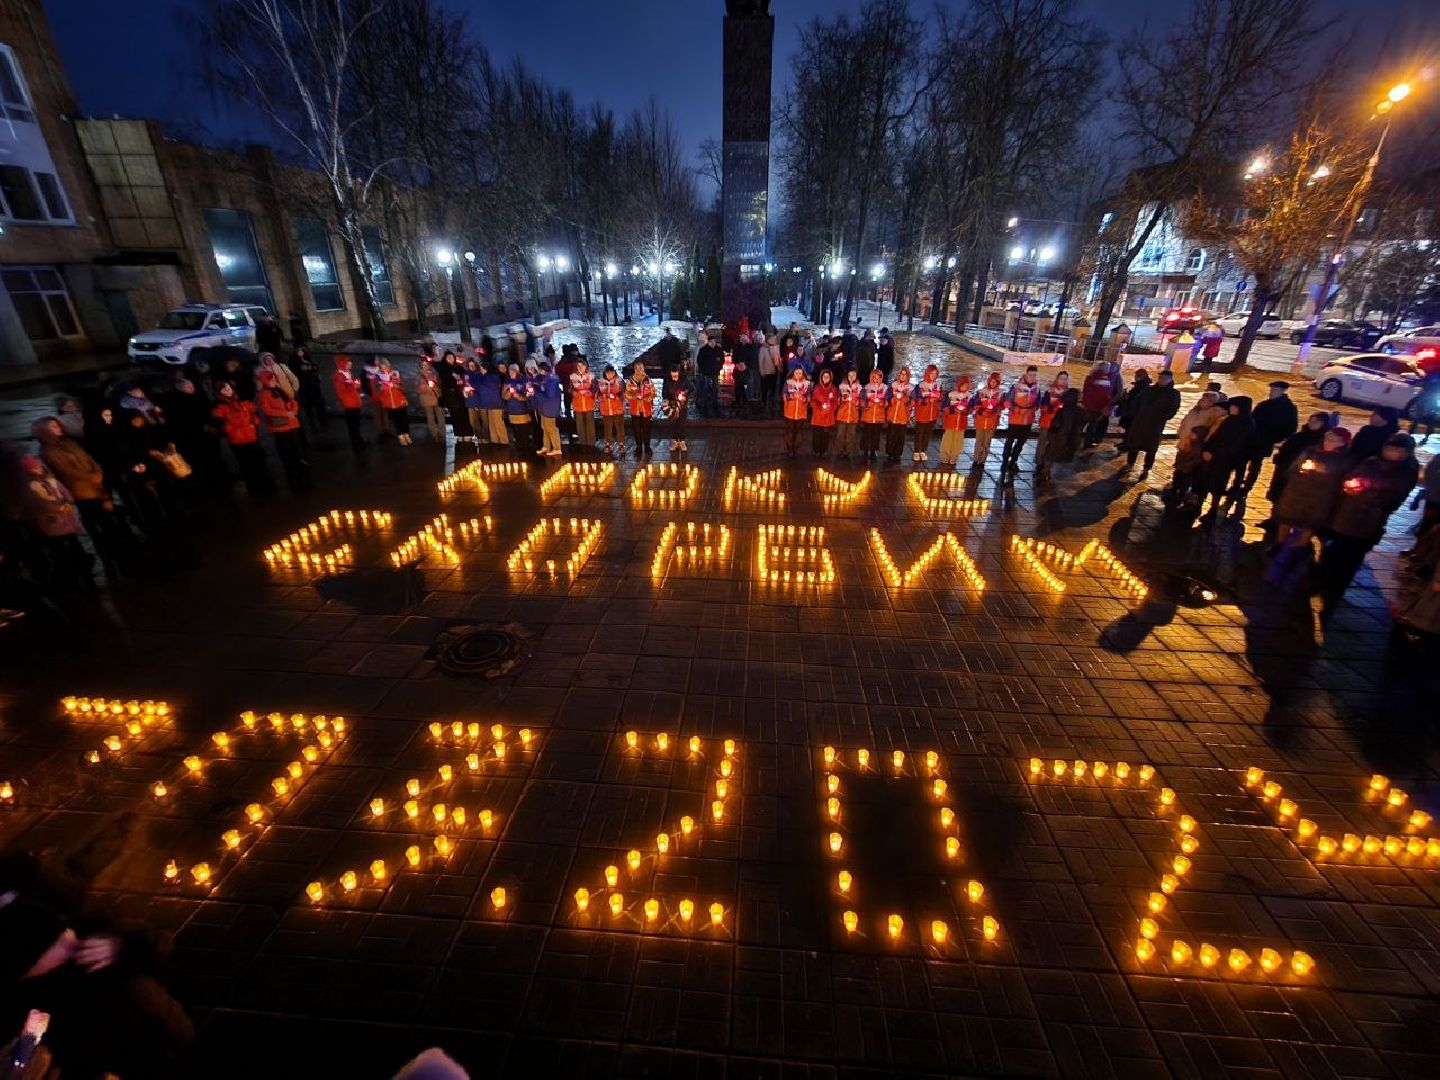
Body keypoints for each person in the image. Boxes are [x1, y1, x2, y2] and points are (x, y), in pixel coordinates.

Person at [0, 896, 194, 1078]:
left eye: (64, 933)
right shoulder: (35, 995)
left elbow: (160, 940)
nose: (70, 939)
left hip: (164, 1038)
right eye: (57, 942)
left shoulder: (94, 936)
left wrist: (123, 945)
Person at [1316, 433, 1420, 614]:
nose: (1391, 452)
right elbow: (1352, 476)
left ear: (1406, 453)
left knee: (1348, 559)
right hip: (1345, 515)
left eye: (1397, 450)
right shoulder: (1372, 461)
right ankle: (1321, 582)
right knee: (1331, 552)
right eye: (1389, 448)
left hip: (1367, 521)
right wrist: (1350, 485)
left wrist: (1368, 484)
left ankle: (1333, 593)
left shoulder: (1406, 470)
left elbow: (1395, 490)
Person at [1268, 426, 1352, 561]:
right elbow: (1293, 468)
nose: (1327, 442)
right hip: (1297, 492)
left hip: (1320, 497)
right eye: (1327, 438)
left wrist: (1324, 472)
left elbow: (1341, 479)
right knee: (1286, 518)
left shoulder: (1343, 459)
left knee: (1310, 523)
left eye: (1332, 440)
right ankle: (1280, 544)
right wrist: (1300, 471)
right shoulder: (1311, 451)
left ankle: (1300, 548)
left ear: (1342, 443)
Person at [15, 454, 91, 589]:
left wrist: (68, 502)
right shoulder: (31, 486)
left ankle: (83, 570)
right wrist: (57, 508)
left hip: (67, 518)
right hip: (53, 521)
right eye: (34, 468)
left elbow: (65, 491)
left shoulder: (51, 479)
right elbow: (39, 503)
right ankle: (70, 576)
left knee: (74, 543)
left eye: (38, 466)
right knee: (59, 548)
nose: (38, 469)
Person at [1233, 380, 1299, 495]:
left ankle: (1246, 488)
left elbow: (1291, 428)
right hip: (1251, 439)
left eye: (1275, 390)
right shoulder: (1264, 404)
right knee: (1241, 463)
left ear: (1282, 391)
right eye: (1271, 390)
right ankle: (1236, 485)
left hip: (1264, 442)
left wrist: (1274, 438)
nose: (1272, 392)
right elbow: (1252, 419)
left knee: (1255, 466)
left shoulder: (1289, 408)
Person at [1194, 396, 1254, 521]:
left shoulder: (1246, 425)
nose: (1230, 408)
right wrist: (1207, 449)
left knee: (1217, 485)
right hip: (1212, 457)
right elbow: (1215, 436)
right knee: (1203, 481)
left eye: (1233, 406)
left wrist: (1215, 454)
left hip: (1225, 460)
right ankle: (1198, 505)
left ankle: (1212, 510)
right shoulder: (1229, 420)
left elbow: (1237, 446)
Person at [211, 381, 273, 495]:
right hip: (237, 441)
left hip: (251, 437)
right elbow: (219, 424)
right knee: (247, 466)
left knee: (259, 462)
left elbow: (254, 413)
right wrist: (231, 428)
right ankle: (255, 490)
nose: (227, 390)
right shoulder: (219, 406)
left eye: (229, 388)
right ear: (220, 392)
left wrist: (254, 423)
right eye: (224, 389)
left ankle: (266, 487)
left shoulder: (242, 400)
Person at [257, 369, 310, 490]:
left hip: (291, 424)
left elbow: (292, 401)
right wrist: (286, 413)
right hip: (280, 428)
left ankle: (302, 480)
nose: (273, 381)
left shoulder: (280, 390)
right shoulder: (264, 394)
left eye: (274, 378)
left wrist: (293, 411)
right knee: (287, 456)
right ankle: (294, 483)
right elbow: (267, 410)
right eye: (271, 379)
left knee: (296, 454)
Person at [1123, 370, 1181, 475]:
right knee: (1134, 444)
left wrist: (1162, 417)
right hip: (1140, 422)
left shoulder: (1173, 394)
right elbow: (1137, 402)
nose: (1161, 380)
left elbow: (1173, 409)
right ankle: (1130, 463)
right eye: (1160, 378)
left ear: (1170, 380)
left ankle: (1146, 468)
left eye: (1164, 378)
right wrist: (1135, 414)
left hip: (1155, 425)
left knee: (1151, 448)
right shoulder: (1149, 390)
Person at [1000, 365, 1041, 479]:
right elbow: (1007, 402)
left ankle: (1013, 461)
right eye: (1030, 375)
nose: (1032, 377)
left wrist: (1032, 410)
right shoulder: (1016, 387)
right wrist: (1016, 409)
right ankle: (1004, 462)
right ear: (1026, 374)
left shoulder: (1037, 388)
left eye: (1034, 375)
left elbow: (1038, 403)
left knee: (1021, 443)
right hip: (1015, 419)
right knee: (1009, 442)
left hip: (1028, 420)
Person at [1038, 387, 1085, 482]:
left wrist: (1051, 434)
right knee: (1055, 455)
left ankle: (1045, 472)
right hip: (1072, 438)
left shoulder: (1062, 410)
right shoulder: (1081, 411)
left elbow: (1055, 424)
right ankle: (1046, 472)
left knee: (1050, 454)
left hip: (1059, 437)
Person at [1033, 372, 1069, 474]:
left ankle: (1048, 464)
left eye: (1065, 379)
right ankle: (1039, 462)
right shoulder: (1049, 391)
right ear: (1057, 378)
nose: (1063, 381)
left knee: (1053, 444)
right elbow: (1044, 406)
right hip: (1047, 420)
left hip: (1059, 424)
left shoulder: (1068, 394)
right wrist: (1055, 408)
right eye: (1061, 378)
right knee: (1043, 442)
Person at [370, 359, 411, 446]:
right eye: (382, 368)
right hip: (389, 403)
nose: (384, 369)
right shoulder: (377, 377)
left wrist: (396, 386)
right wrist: (381, 389)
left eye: (386, 367)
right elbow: (375, 392)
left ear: (389, 366)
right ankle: (401, 437)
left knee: (404, 419)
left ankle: (406, 434)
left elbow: (404, 387)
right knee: (396, 421)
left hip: (400, 400)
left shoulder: (396, 374)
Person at [332, 356, 367, 451]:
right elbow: (342, 390)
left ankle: (359, 441)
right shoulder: (339, 375)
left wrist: (356, 385)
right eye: (348, 363)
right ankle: (356, 444)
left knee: (356, 424)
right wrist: (354, 386)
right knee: (353, 425)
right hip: (349, 403)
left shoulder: (347, 373)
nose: (350, 364)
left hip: (354, 401)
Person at [970, 371, 1005, 468]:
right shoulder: (981, 392)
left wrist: (993, 412)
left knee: (987, 442)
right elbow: (976, 404)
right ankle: (976, 459)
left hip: (992, 421)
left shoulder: (1001, 393)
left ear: (998, 382)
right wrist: (982, 412)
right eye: (992, 381)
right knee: (979, 441)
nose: (993, 383)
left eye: (995, 382)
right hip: (981, 420)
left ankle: (982, 461)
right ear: (989, 381)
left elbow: (1002, 406)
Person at [910, 364, 943, 463]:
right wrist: (927, 400)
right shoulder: (920, 385)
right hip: (922, 414)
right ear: (927, 373)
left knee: (927, 434)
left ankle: (923, 450)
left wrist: (939, 397)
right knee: (919, 433)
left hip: (933, 414)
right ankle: (916, 451)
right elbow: (915, 399)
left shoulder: (938, 385)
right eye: (932, 373)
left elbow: (942, 397)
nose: (933, 376)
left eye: (935, 374)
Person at [290, 347, 327, 433]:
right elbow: (297, 370)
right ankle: (312, 421)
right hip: (304, 386)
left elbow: (315, 367)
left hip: (314, 384)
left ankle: (322, 420)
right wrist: (308, 368)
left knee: (318, 402)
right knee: (308, 404)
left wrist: (309, 368)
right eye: (299, 351)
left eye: (302, 351)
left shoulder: (308, 359)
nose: (301, 352)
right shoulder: (294, 361)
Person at [1114, 368, 1151, 452]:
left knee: (1130, 429)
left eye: (1138, 376)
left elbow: (1137, 398)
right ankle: (1125, 442)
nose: (1135, 377)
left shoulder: (1142, 386)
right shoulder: (1140, 385)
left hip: (1134, 411)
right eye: (1136, 375)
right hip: (1131, 410)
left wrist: (1127, 397)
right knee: (1128, 428)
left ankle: (1127, 445)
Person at [938, 376, 971, 470]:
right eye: (963, 385)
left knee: (957, 442)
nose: (964, 387)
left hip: (961, 423)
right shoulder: (951, 395)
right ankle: (945, 456)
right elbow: (944, 407)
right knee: (947, 440)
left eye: (966, 386)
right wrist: (952, 410)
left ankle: (954, 457)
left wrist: (965, 411)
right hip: (950, 422)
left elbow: (970, 408)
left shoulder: (969, 396)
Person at [882, 366, 913, 463]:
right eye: (901, 374)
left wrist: (906, 399)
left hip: (903, 415)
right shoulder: (892, 386)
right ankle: (890, 452)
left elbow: (912, 401)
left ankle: (898, 453)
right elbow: (887, 398)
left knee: (900, 436)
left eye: (905, 375)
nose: (903, 376)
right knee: (891, 434)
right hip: (892, 415)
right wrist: (892, 399)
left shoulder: (911, 388)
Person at [503, 364, 535, 454]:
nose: (511, 373)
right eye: (510, 371)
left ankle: (526, 448)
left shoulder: (524, 380)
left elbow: (529, 395)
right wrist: (507, 392)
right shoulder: (507, 381)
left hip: (523, 410)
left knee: (524, 430)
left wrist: (519, 396)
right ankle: (519, 447)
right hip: (512, 409)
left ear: (517, 371)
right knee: (516, 430)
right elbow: (504, 396)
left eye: (513, 371)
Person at [532, 361, 563, 456]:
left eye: (539, 370)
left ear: (543, 370)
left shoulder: (551, 381)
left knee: (551, 428)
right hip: (544, 407)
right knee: (544, 427)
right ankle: (546, 446)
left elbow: (550, 395)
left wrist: (536, 392)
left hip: (550, 408)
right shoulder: (545, 379)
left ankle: (557, 448)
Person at [1080, 362, 1114, 448]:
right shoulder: (1106, 379)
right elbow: (1105, 395)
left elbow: (1086, 391)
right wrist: (1107, 405)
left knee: (1081, 425)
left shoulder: (1091, 376)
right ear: (1105, 369)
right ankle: (1087, 444)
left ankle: (1074, 441)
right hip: (1097, 408)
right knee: (1091, 427)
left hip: (1087, 406)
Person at [661, 363, 692, 453]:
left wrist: (684, 393)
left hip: (682, 405)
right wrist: (669, 398)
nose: (674, 378)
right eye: (673, 376)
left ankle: (682, 441)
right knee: (673, 423)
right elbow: (664, 393)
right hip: (672, 405)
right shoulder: (667, 380)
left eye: (676, 375)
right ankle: (674, 441)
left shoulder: (684, 379)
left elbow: (692, 389)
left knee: (682, 423)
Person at [625, 363, 655, 457]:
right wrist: (634, 396)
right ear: (634, 369)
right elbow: (627, 394)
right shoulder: (630, 382)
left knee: (647, 430)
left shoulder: (648, 380)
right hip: (635, 410)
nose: (639, 370)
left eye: (641, 368)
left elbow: (654, 392)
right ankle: (638, 447)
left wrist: (647, 398)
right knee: (636, 430)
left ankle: (647, 447)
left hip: (646, 409)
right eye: (637, 369)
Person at [859, 368, 888, 462]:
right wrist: (867, 404)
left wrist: (883, 403)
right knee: (866, 433)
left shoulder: (885, 388)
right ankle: (865, 450)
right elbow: (862, 400)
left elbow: (887, 400)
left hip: (879, 415)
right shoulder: (866, 388)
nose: (876, 380)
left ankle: (873, 450)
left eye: (879, 378)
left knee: (876, 434)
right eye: (874, 377)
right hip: (868, 415)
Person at [782, 366, 811, 457]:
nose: (798, 375)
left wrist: (806, 399)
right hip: (790, 410)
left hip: (801, 411)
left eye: (800, 373)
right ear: (793, 373)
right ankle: (790, 448)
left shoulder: (807, 383)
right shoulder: (788, 382)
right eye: (796, 373)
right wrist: (789, 397)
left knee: (799, 431)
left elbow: (809, 395)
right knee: (790, 431)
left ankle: (796, 448)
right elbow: (784, 394)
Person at [809, 368, 838, 456]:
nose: (826, 378)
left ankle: (824, 451)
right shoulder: (817, 388)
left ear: (830, 378)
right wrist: (820, 406)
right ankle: (816, 451)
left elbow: (835, 402)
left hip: (828, 417)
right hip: (818, 416)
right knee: (817, 434)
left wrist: (830, 406)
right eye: (824, 376)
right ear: (821, 377)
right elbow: (813, 401)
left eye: (827, 377)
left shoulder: (833, 389)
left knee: (825, 435)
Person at [598, 365, 625, 455]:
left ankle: (621, 444)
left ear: (614, 373)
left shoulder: (620, 381)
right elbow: (597, 394)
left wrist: (616, 397)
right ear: (605, 373)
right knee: (607, 428)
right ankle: (608, 444)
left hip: (618, 409)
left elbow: (624, 394)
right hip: (606, 409)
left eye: (611, 373)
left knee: (619, 427)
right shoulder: (601, 382)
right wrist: (603, 397)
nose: (610, 374)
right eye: (608, 373)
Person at [416, 356, 445, 442]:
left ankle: (441, 433)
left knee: (441, 416)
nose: (425, 366)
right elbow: (417, 389)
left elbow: (440, 384)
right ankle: (434, 433)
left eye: (426, 365)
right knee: (430, 417)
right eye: (423, 365)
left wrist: (436, 385)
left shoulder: (434, 374)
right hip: (426, 399)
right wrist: (427, 387)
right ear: (421, 367)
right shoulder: (419, 377)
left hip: (436, 397)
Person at [695, 333, 724, 418]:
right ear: (708, 342)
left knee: (715, 388)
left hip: (715, 372)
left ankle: (714, 402)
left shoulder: (719, 350)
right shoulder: (703, 350)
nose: (713, 343)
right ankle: (705, 402)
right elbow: (699, 361)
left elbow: (722, 360)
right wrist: (703, 369)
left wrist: (719, 368)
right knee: (705, 387)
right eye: (711, 342)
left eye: (714, 341)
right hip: (706, 372)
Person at [835, 369, 862, 457]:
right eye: (849, 375)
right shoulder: (841, 386)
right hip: (842, 413)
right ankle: (840, 451)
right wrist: (841, 400)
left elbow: (862, 400)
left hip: (853, 414)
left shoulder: (859, 387)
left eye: (853, 375)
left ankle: (848, 452)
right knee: (840, 434)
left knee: (851, 434)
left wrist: (857, 402)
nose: (851, 377)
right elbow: (837, 399)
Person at [571, 358, 597, 447]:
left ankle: (591, 443)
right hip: (578, 403)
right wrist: (573, 392)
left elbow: (595, 388)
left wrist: (591, 392)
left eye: (582, 365)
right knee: (580, 425)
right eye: (578, 366)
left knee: (590, 423)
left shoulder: (591, 376)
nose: (580, 367)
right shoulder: (572, 377)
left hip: (588, 403)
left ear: (586, 366)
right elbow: (569, 388)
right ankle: (583, 443)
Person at [1411, 366, 1440, 440]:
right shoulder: (1432, 373)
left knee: (1427, 415)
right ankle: (1414, 430)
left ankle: (1424, 433)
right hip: (1427, 395)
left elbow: (1424, 380)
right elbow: (1424, 380)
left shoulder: (1433, 373)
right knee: (1426, 414)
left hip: (1429, 395)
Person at [758, 334, 780, 417]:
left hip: (774, 371)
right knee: (765, 388)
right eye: (773, 339)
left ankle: (771, 401)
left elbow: (778, 358)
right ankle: (764, 402)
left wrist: (779, 367)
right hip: (766, 372)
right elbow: (760, 361)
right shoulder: (763, 349)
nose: (775, 340)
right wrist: (762, 372)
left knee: (773, 388)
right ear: (768, 340)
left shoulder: (776, 347)